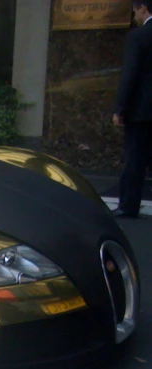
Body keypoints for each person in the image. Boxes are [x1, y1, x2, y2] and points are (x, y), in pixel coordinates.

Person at [112, 0, 152, 218]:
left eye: (135, 11)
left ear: (143, 8)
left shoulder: (138, 37)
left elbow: (130, 74)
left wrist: (120, 108)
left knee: (134, 159)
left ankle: (128, 206)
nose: (134, 16)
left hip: (141, 110)